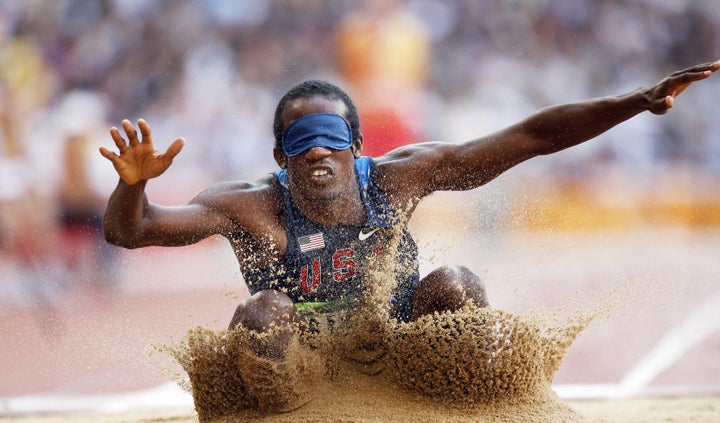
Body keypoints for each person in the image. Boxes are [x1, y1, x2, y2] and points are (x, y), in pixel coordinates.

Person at [99, 61, 719, 359]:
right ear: (279, 157)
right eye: (299, 141)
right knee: (264, 311)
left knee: (457, 284)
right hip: (303, 359)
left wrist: (635, 101)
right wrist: (132, 187)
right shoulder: (251, 208)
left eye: (332, 138)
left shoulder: (399, 180)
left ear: (358, 148)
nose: (317, 150)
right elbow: (135, 232)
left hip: (394, 344)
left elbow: (533, 137)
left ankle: (455, 402)